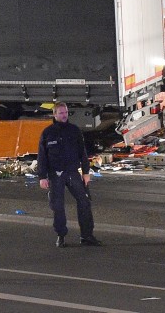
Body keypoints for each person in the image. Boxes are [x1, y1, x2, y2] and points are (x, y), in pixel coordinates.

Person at [37, 102, 102, 248]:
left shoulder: (74, 131)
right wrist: (42, 177)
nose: (64, 115)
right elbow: (42, 157)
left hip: (72, 172)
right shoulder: (48, 133)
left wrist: (86, 172)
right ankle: (61, 236)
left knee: (84, 202)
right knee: (58, 206)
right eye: (61, 113)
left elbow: (82, 153)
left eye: (66, 112)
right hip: (56, 174)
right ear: (54, 114)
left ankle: (87, 235)